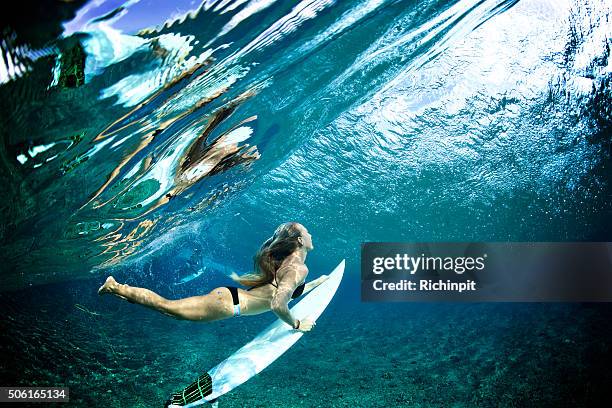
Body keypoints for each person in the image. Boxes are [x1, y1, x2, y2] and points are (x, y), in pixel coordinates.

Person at [98, 222, 327, 332]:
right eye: (307, 232)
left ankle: (121, 291)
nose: (311, 233)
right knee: (166, 307)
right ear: (299, 240)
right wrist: (297, 324)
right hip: (229, 305)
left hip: (230, 300)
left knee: (170, 311)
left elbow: (284, 292)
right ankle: (116, 287)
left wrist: (317, 284)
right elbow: (278, 303)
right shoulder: (298, 268)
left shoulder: (290, 266)